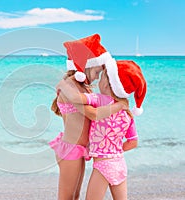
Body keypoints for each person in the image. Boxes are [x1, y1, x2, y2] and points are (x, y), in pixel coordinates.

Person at [57, 60, 147, 200]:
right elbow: (133, 142)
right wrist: (113, 152)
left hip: (102, 166)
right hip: (119, 163)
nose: (98, 78)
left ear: (108, 83)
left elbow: (78, 99)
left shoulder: (99, 100)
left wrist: (62, 84)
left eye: (102, 75)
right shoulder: (128, 113)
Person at [50, 69, 127, 200]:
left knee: (75, 196)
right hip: (71, 148)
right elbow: (94, 114)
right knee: (67, 197)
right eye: (96, 72)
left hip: (80, 149)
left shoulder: (85, 90)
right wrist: (120, 105)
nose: (97, 78)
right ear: (86, 68)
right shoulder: (68, 89)